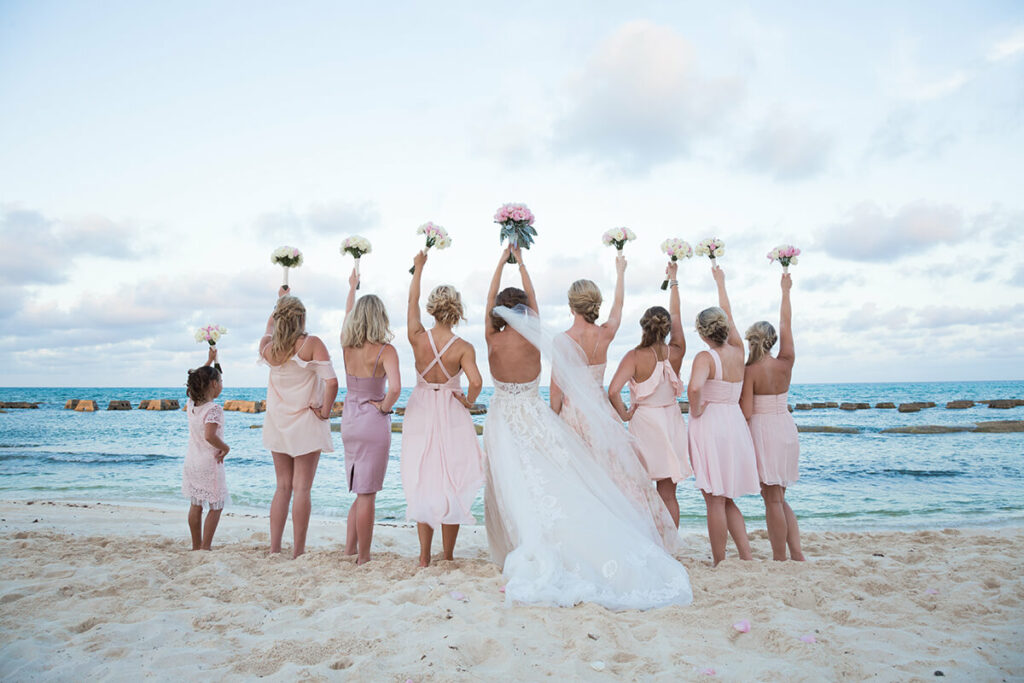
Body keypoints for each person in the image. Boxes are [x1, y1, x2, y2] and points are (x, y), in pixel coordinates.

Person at [482, 244, 692, 610]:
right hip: (568, 416)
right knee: (576, 481)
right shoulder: (542, 336)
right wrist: (525, 264)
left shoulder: (502, 338)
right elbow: (606, 311)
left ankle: (517, 544)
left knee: (518, 481)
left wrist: (503, 262)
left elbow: (557, 391)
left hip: (515, 418)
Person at [550, 253, 678, 548]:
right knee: (615, 477)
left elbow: (556, 391)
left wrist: (553, 422)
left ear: (571, 306)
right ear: (594, 304)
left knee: (583, 480)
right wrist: (621, 272)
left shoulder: (561, 340)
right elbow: (618, 309)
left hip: (574, 417)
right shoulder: (605, 333)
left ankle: (591, 540)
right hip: (601, 413)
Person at [402, 251, 485, 567]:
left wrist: (419, 269)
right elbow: (475, 381)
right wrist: (469, 400)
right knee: (452, 479)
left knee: (425, 478)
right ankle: (447, 555)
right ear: (456, 310)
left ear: (433, 310)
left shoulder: (417, 337)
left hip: (422, 408)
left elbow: (411, 303)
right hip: (451, 409)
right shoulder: (463, 347)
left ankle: (424, 556)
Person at [607, 259, 691, 526]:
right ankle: (671, 545)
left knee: (642, 489)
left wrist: (625, 414)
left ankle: (650, 542)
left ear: (644, 327)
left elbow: (612, 390)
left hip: (645, 423)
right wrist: (674, 280)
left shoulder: (634, 356)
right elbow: (677, 316)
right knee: (668, 493)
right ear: (666, 329)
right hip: (671, 421)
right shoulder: (676, 351)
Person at [687, 267, 761, 566]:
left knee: (714, 498)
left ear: (703, 333)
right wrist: (721, 283)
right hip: (734, 423)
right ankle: (745, 555)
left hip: (712, 424)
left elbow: (694, 387)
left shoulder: (705, 357)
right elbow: (729, 315)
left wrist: (695, 409)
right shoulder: (738, 351)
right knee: (727, 496)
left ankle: (719, 560)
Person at [260, 286, 338, 558]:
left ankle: (274, 548)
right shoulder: (311, 344)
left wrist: (278, 302)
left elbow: (269, 328)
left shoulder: (269, 349)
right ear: (302, 318)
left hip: (278, 422)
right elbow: (332, 382)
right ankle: (298, 551)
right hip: (306, 420)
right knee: (302, 487)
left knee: (282, 486)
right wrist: (326, 412)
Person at [741, 273, 804, 561]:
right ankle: (796, 553)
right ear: (773, 341)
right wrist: (786, 292)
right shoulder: (786, 362)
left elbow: (747, 412)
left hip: (764, 431)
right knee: (780, 496)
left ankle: (780, 556)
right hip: (786, 427)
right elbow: (786, 324)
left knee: (773, 499)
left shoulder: (750, 371)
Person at [340, 270, 400, 565]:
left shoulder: (346, 345)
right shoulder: (386, 350)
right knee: (367, 493)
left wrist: (351, 288)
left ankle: (350, 548)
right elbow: (397, 389)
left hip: (349, 420)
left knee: (360, 488)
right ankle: (363, 557)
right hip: (373, 423)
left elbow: (347, 313)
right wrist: (385, 408)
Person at [182, 346, 230, 550]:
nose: (221, 385)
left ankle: (195, 545)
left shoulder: (192, 404)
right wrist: (225, 447)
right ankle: (205, 546)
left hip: (192, 461)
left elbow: (196, 380)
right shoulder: (214, 409)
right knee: (216, 506)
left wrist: (209, 361)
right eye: (220, 382)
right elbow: (209, 436)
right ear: (212, 384)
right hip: (209, 464)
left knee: (196, 504)